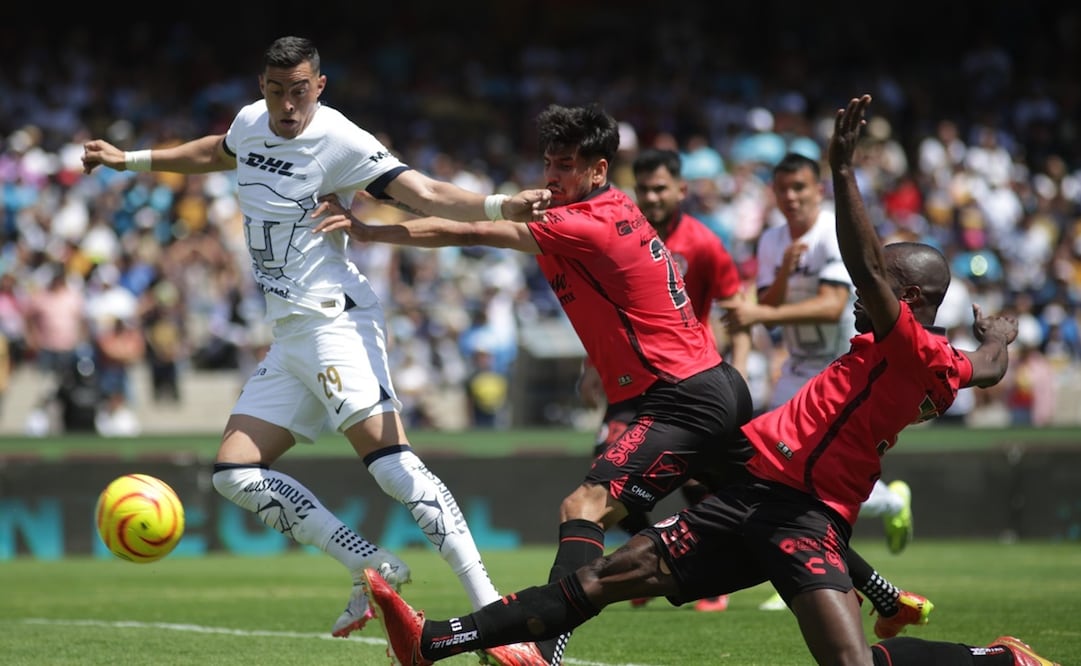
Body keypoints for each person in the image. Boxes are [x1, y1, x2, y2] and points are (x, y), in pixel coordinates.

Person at [360, 95, 1054, 666]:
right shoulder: (943, 360)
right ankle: (434, 644)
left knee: (587, 509)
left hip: (755, 464)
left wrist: (842, 169)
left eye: (563, 163)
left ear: (909, 299)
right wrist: (995, 339)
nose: (855, 298)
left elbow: (865, 266)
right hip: (755, 476)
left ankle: (994, 661)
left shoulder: (904, 342)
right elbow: (982, 367)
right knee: (604, 573)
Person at [80, 36, 548, 664]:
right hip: (291, 337)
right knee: (235, 473)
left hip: (336, 325)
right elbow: (210, 153)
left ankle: (497, 617)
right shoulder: (250, 122)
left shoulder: (341, 139)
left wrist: (500, 203)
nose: (287, 105)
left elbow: (424, 192)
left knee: (393, 468)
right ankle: (369, 565)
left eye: (299, 91)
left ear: (318, 86)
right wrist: (128, 159)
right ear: (262, 86)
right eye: (276, 91)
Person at [315, 103, 755, 665]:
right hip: (707, 385)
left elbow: (469, 228)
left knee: (584, 508)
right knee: (775, 507)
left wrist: (369, 231)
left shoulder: (582, 222)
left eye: (566, 165)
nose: (551, 175)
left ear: (598, 170)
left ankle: (536, 650)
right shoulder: (608, 206)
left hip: (682, 396)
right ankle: (882, 598)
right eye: (548, 161)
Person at [723, 151, 922, 616]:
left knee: (814, 479)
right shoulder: (773, 239)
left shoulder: (832, 233)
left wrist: (762, 312)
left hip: (839, 366)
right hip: (795, 365)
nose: (791, 198)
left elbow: (834, 306)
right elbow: (768, 300)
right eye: (783, 189)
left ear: (817, 189)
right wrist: (782, 280)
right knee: (770, 466)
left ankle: (807, 563)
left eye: (800, 189)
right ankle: (878, 510)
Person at [575, 147, 749, 613]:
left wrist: (745, 364)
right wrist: (594, 366)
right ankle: (646, 569)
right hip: (631, 381)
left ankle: (704, 578)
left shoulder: (706, 244)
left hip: (690, 379)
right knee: (604, 470)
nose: (651, 197)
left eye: (660, 188)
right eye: (644, 188)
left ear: (681, 190)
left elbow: (738, 312)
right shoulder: (623, 232)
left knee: (698, 481)